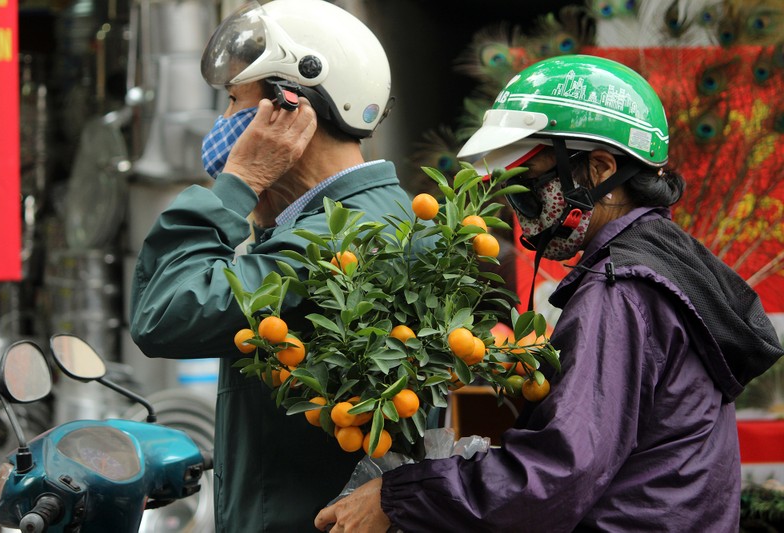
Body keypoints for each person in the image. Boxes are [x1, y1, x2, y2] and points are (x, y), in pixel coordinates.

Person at [315, 55, 784, 532]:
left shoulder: (619, 292)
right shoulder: (665, 264)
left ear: (600, 169)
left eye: (531, 184)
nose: (520, 207)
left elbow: (554, 477)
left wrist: (398, 498)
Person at [129, 1, 406, 531]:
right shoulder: (370, 217)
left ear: (289, 109)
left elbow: (163, 313)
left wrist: (237, 184)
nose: (224, 123)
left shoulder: (333, 242)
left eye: (235, 100)